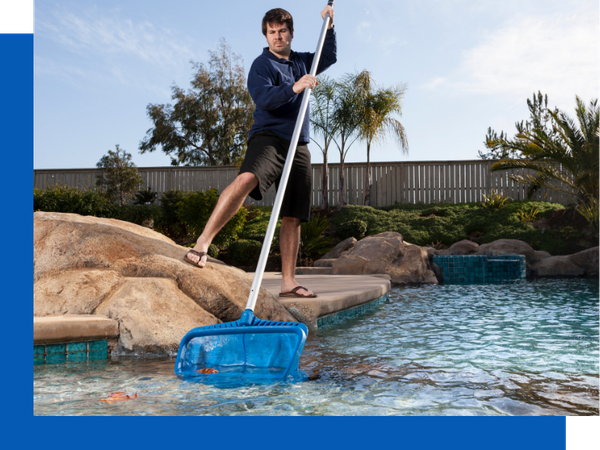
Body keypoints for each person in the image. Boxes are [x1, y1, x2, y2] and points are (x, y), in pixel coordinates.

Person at [184, 4, 337, 299]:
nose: (277, 36)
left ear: (291, 33)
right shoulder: (261, 65)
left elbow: (327, 56)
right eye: (272, 32)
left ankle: (289, 282)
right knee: (245, 180)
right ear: (266, 36)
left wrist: (329, 25)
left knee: (292, 215)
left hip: (299, 144)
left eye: (282, 31)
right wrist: (294, 87)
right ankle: (203, 242)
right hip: (269, 137)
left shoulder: (304, 61)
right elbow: (263, 98)